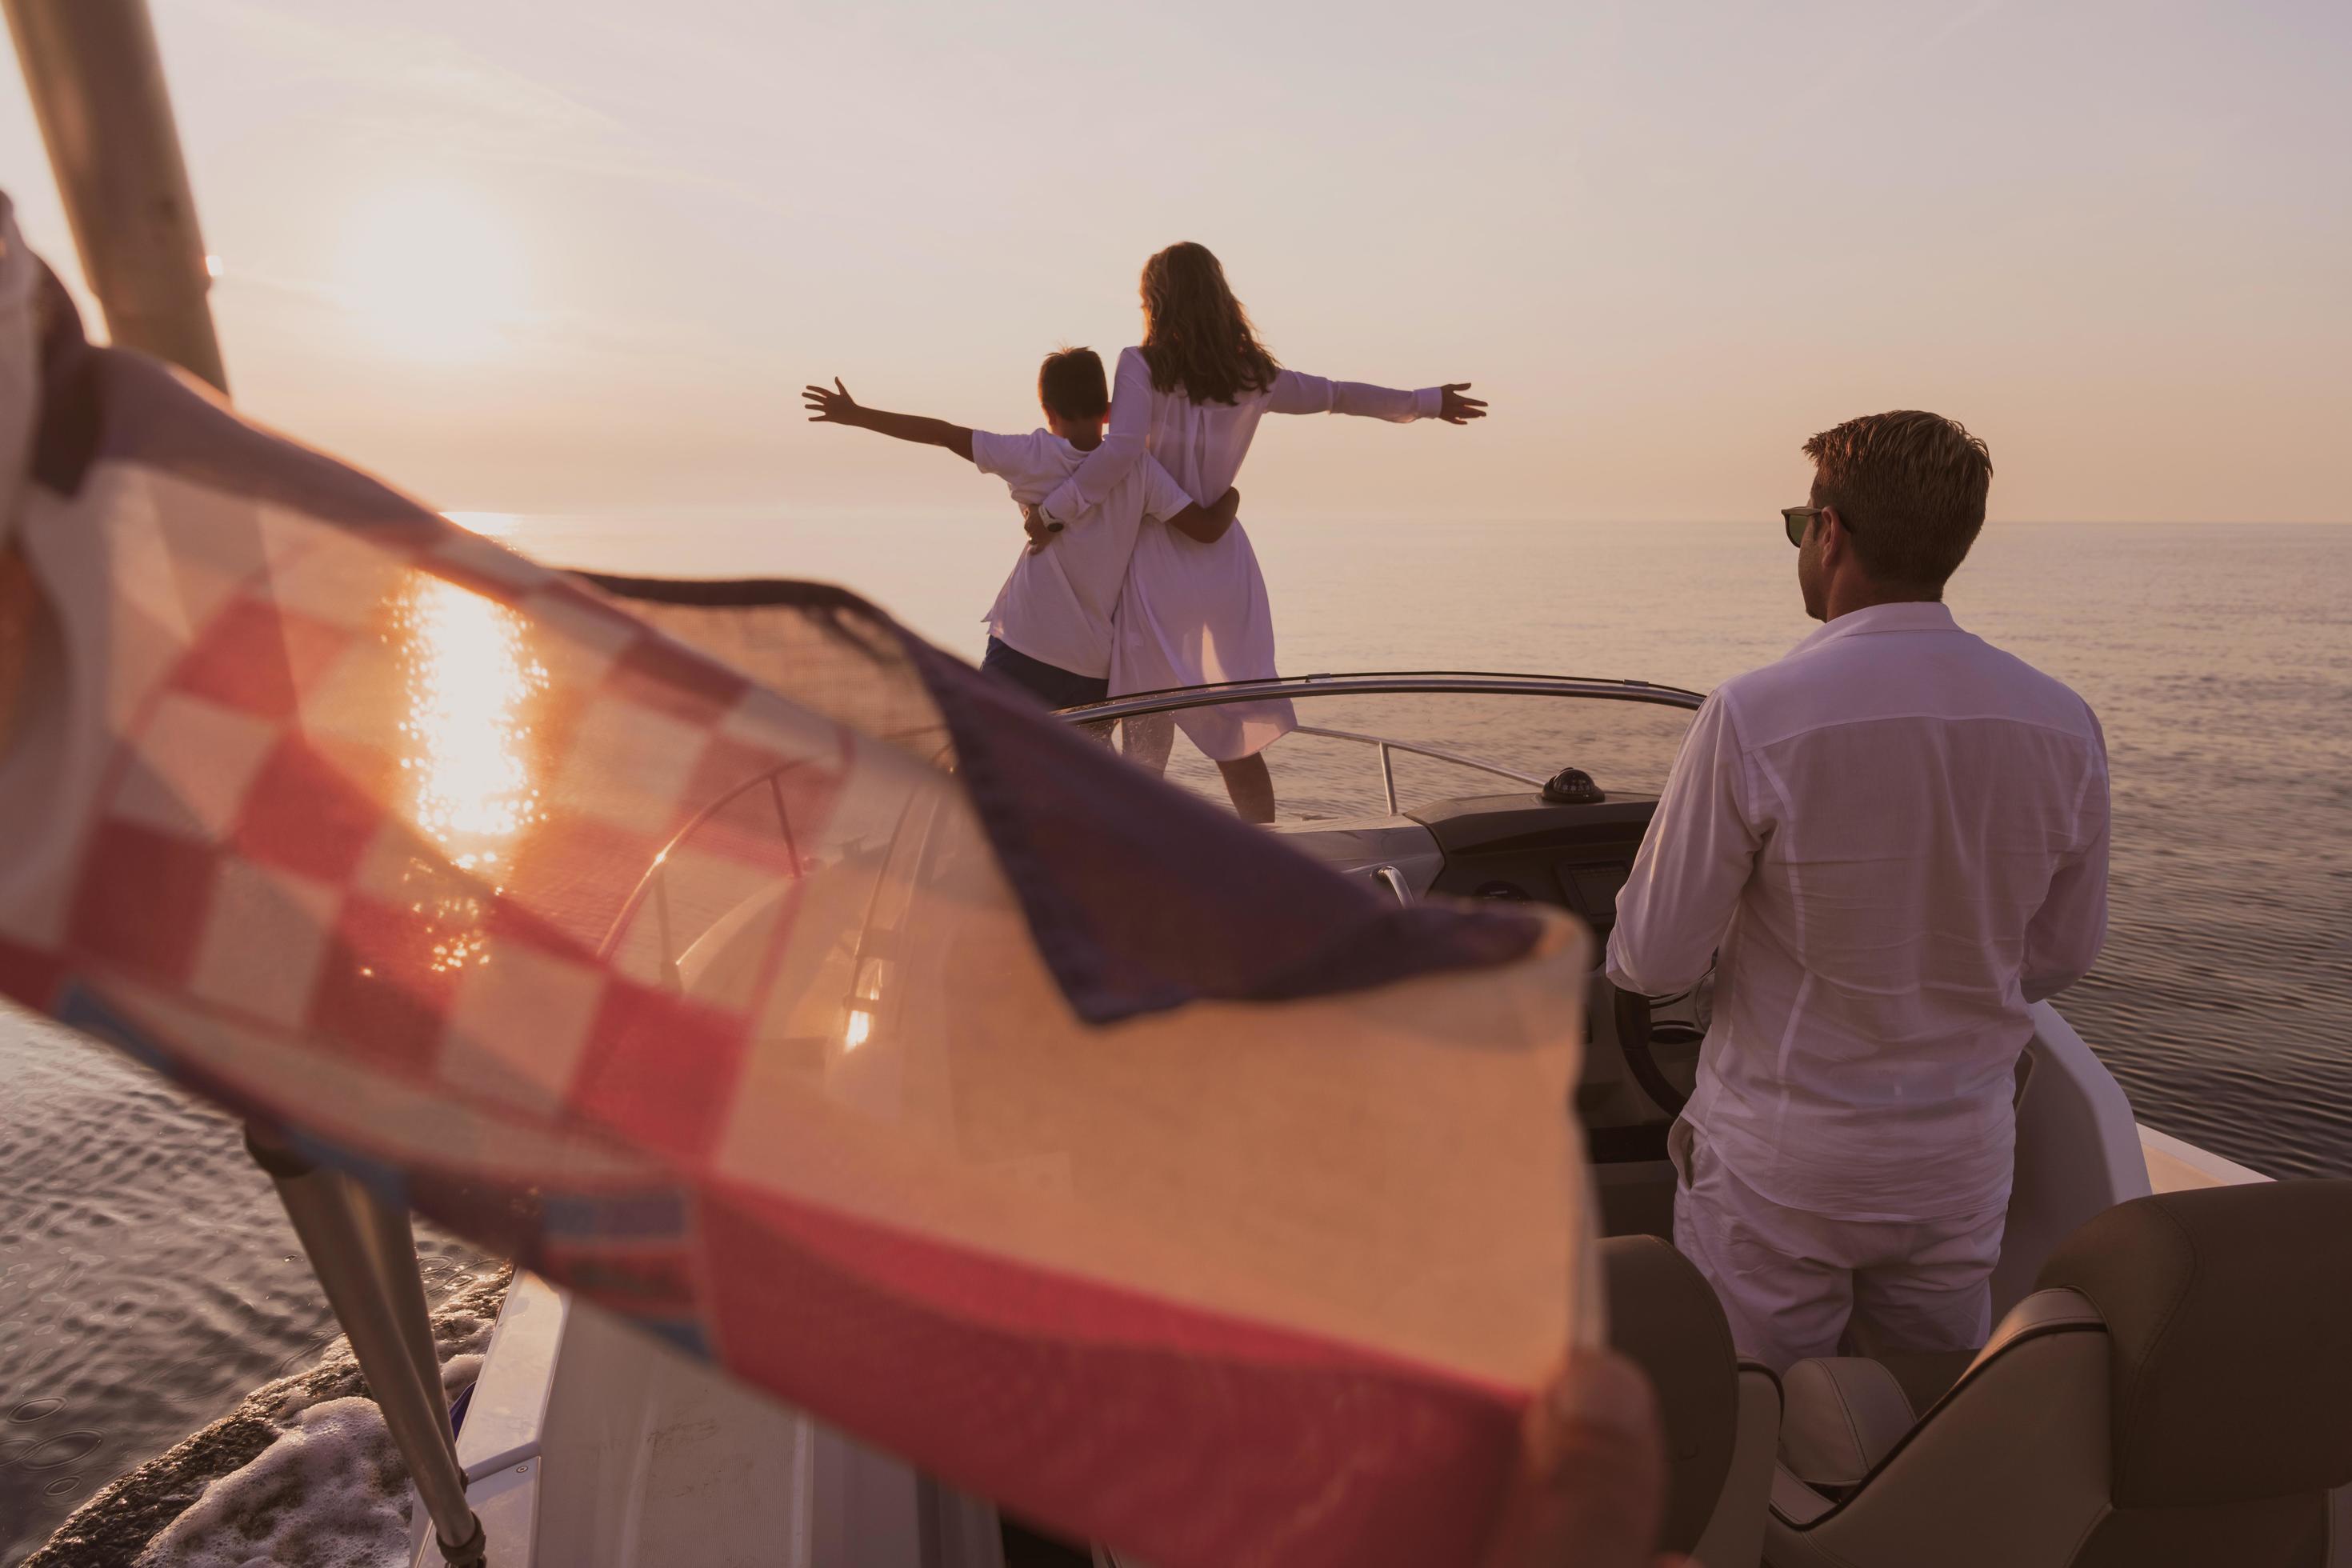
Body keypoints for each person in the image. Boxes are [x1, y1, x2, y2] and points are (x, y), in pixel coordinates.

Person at [1606, 410, 2110, 1374]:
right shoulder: (2063, 722)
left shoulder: (1757, 715)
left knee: (1755, 1406)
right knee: (1924, 1423)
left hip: (1782, 1168)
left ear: (1831, 531)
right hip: (1957, 1165)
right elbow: (2060, 954)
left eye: (1803, 523)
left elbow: (1653, 957)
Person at [1026, 242, 1485, 822]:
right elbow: (1337, 395)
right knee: (1233, 730)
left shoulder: (1139, 364)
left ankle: (1131, 856)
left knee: (1147, 723)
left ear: (1157, 302)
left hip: (1154, 561)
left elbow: (1120, 452)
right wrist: (1426, 402)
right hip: (1221, 564)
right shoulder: (1252, 376)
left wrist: (1054, 511)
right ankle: (1269, 851)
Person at [802, 347, 1238, 716]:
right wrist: (1231, 495)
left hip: (1027, 644)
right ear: (1107, 411)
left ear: (1047, 410)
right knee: (1083, 784)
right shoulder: (1140, 470)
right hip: (1093, 666)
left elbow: (940, 434)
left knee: (984, 761)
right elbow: (1207, 529)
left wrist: (857, 415)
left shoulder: (1031, 455)